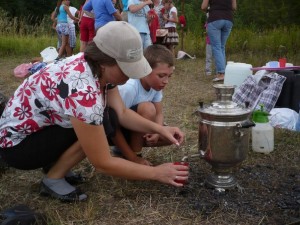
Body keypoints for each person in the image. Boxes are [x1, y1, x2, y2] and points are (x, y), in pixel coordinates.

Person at [0, 21, 188, 203]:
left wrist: (160, 129)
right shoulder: (83, 90)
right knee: (102, 121)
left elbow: (121, 112)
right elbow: (103, 162)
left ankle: (56, 163)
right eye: (127, 68)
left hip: (40, 131)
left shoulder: (94, 67)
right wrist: (157, 173)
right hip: (18, 147)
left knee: (109, 116)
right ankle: (53, 178)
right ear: (105, 62)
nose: (131, 75)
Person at [108, 44, 174, 166]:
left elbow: (159, 113)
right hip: (112, 132)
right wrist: (133, 158)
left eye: (169, 76)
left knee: (172, 136)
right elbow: (112, 125)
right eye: (161, 75)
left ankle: (128, 149)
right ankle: (133, 155)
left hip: (133, 129)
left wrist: (157, 131)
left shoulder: (156, 86)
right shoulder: (130, 87)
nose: (166, 81)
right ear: (145, 69)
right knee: (147, 108)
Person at [201, 0, 237, 82]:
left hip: (215, 18)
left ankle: (221, 73)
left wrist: (209, 10)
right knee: (221, 47)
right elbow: (234, 7)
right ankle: (222, 72)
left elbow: (203, 7)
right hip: (228, 19)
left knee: (216, 47)